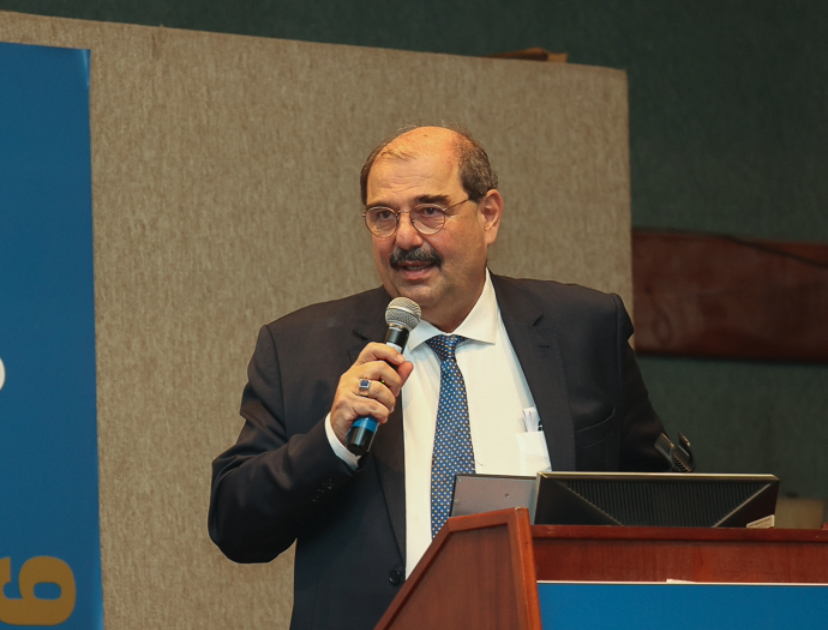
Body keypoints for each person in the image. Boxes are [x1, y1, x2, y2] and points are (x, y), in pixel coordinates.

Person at [208, 126, 668, 630]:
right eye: (384, 216)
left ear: (488, 215)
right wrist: (331, 440)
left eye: (430, 211)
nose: (405, 237)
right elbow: (236, 528)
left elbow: (665, 500)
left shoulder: (582, 330)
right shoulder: (300, 349)